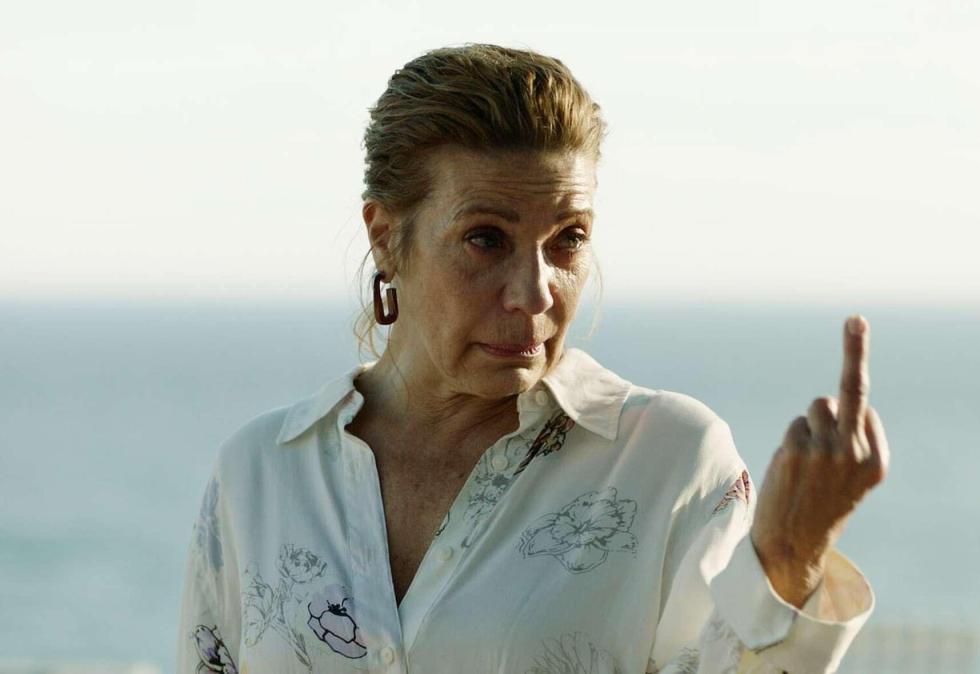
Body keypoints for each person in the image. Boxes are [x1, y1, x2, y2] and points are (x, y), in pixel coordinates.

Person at [176, 43, 888, 674]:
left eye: (568, 240)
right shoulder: (260, 473)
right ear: (387, 238)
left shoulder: (668, 461)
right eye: (486, 239)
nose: (535, 292)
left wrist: (789, 558)